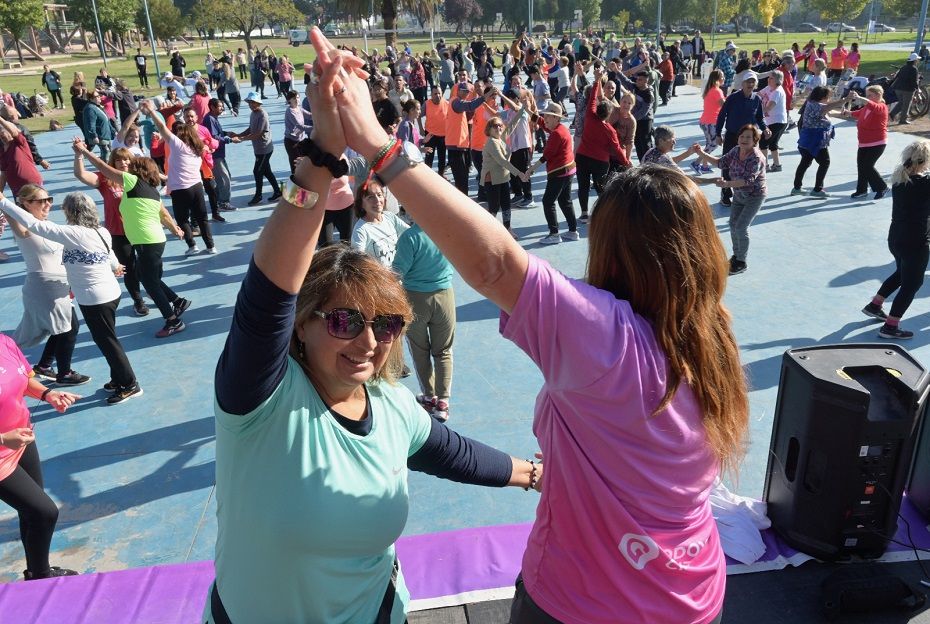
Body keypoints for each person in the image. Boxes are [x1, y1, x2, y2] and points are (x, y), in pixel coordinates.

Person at [307, 28, 746, 624]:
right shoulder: (708, 328)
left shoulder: (611, 341)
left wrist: (380, 146)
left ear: (613, 252)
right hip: (693, 593)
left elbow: (494, 264)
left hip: (587, 602)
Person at [203, 43, 543, 622]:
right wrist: (322, 156)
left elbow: (453, 454)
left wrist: (535, 475)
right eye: (344, 321)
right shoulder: (259, 401)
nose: (369, 343)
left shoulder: (392, 410)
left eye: (386, 325)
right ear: (302, 326)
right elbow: (267, 293)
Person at [0, 192, 143, 404]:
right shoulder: (100, 230)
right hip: (109, 294)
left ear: (71, 212)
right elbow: (109, 252)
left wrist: (3, 202)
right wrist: (114, 266)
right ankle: (117, 379)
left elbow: (34, 225)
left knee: (108, 342)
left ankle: (130, 384)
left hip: (95, 300)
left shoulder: (73, 233)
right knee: (109, 338)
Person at [74, 139, 190, 339]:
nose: (128, 166)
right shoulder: (151, 190)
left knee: (149, 281)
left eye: (132, 164)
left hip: (147, 241)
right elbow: (162, 214)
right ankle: (177, 302)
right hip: (151, 240)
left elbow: (102, 166)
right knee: (145, 275)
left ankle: (173, 321)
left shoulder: (133, 181)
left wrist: (84, 151)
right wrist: (175, 229)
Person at [0, 332, 81, 580]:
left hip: (22, 439)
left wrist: (48, 394)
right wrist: (3, 439)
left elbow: (24, 381)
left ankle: (36, 572)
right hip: (2, 454)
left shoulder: (4, 342)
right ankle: (42, 577)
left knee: (32, 513)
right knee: (44, 512)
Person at [7, 184, 88, 385]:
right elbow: (10, 212)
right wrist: (5, 203)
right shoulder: (23, 225)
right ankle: (64, 373)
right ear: (25, 204)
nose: (47, 204)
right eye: (41, 201)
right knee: (68, 328)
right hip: (44, 288)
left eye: (49, 199)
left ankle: (43, 366)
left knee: (57, 329)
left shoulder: (47, 225)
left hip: (57, 287)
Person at [862, 141, 930, 339]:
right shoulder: (925, 184)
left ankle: (875, 305)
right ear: (924, 161)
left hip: (896, 238)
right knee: (911, 285)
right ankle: (890, 326)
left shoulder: (901, 179)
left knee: (901, 273)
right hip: (915, 242)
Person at [72, 147, 148, 316]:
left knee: (149, 266)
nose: (123, 163)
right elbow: (81, 175)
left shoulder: (139, 177)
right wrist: (79, 155)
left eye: (126, 159)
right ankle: (138, 300)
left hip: (141, 231)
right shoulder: (105, 179)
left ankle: (154, 289)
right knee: (130, 267)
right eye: (119, 160)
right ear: (113, 163)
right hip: (119, 233)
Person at [392, 219, 455, 421]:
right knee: (443, 350)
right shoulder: (446, 230)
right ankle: (443, 402)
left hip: (415, 299)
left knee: (420, 350)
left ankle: (429, 396)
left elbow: (397, 272)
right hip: (445, 297)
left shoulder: (409, 238)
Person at [698, 125, 768, 275]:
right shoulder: (736, 150)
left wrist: (727, 184)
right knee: (733, 225)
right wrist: (701, 153)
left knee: (741, 227)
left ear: (755, 140)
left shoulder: (756, 157)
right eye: (742, 136)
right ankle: (736, 257)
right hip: (738, 195)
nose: (744, 140)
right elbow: (720, 163)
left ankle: (741, 262)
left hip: (754, 196)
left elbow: (748, 180)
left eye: (748, 137)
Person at [576, 72, 629, 224]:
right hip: (600, 162)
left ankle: (584, 213)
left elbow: (592, 98)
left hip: (583, 157)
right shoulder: (610, 130)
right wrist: (626, 162)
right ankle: (604, 213)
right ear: (609, 113)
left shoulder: (589, 116)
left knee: (583, 186)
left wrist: (597, 80)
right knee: (601, 189)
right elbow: (617, 148)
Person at [525, 102, 579, 245]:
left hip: (559, 172)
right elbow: (542, 123)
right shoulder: (561, 129)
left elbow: (545, 156)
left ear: (556, 118)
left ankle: (554, 234)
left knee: (548, 202)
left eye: (549, 116)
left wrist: (530, 171)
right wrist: (528, 111)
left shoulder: (556, 134)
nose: (546, 118)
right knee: (565, 200)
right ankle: (573, 231)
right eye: (546, 115)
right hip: (569, 170)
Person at [714, 71, 768, 206]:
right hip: (732, 136)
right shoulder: (733, 98)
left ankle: (744, 193)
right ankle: (726, 194)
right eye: (748, 82)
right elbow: (722, 116)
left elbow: (760, 118)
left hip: (750, 139)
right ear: (742, 84)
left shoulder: (757, 99)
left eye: (753, 82)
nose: (750, 84)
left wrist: (765, 128)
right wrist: (718, 133)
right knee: (726, 164)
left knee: (749, 166)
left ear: (756, 84)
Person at [791, 86, 848, 199]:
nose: (828, 100)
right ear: (822, 97)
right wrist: (845, 99)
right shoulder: (816, 106)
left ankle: (797, 188)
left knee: (805, 162)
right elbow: (827, 107)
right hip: (815, 141)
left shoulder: (811, 103)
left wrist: (844, 113)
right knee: (825, 162)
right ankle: (818, 189)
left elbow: (829, 111)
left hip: (807, 140)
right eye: (827, 97)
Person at [481, 115, 525, 237]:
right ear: (489, 129)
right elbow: (502, 161)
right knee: (494, 208)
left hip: (503, 177)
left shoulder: (501, 138)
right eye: (495, 126)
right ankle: (487, 232)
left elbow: (511, 125)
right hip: (492, 179)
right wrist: (519, 174)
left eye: (500, 125)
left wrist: (521, 111)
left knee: (506, 205)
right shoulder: (491, 142)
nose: (499, 128)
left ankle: (508, 228)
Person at [351, 177, 409, 267]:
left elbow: (410, 233)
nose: (377, 200)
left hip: (400, 274)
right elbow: (357, 262)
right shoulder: (361, 230)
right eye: (370, 197)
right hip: (381, 279)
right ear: (361, 204)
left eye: (379, 195)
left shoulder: (390, 217)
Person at [235, 92, 281, 205]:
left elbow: (259, 133)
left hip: (265, 149)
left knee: (257, 171)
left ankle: (258, 195)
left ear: (258, 102)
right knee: (266, 171)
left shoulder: (262, 114)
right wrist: (239, 135)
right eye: (249, 102)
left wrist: (242, 139)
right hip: (258, 149)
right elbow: (251, 129)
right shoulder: (253, 114)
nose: (251, 104)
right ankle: (277, 192)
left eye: (253, 102)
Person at [845, 86, 889, 200]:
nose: (868, 97)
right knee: (861, 167)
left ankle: (882, 187)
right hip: (864, 143)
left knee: (867, 166)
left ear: (879, 95)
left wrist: (859, 97)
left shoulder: (881, 107)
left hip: (878, 143)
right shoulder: (866, 108)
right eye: (867, 95)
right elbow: (857, 113)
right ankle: (862, 190)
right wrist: (847, 112)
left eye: (870, 95)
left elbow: (873, 105)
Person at [758, 71, 787, 172]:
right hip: (772, 121)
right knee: (773, 144)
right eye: (769, 78)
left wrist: (754, 111)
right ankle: (777, 165)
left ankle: (765, 166)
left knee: (763, 142)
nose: (768, 79)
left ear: (777, 81)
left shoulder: (777, 92)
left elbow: (768, 108)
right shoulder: (769, 88)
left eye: (771, 78)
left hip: (778, 122)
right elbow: (758, 95)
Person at [283, 90, 313, 176]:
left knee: (303, 162)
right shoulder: (290, 111)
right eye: (294, 98)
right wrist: (315, 128)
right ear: (289, 100)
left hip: (300, 140)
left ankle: (302, 184)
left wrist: (320, 115)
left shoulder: (299, 108)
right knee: (296, 165)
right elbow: (300, 126)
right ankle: (295, 187)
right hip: (291, 142)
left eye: (297, 97)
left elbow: (310, 116)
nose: (296, 99)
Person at [423, 85, 448, 176]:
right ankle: (427, 176)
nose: (437, 95)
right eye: (435, 94)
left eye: (439, 93)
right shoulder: (427, 104)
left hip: (443, 135)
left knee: (442, 157)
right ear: (431, 95)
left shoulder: (447, 104)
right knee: (429, 157)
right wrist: (421, 128)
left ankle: (441, 174)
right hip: (430, 135)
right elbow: (418, 115)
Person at [889, 53, 921, 125]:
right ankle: (903, 120)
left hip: (898, 88)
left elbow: (897, 76)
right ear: (915, 60)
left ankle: (891, 114)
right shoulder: (914, 69)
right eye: (917, 60)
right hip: (908, 89)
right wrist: (917, 89)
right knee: (906, 104)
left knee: (901, 103)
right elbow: (914, 81)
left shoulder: (903, 67)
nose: (918, 61)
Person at [82, 91, 113, 161]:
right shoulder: (90, 109)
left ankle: (107, 166)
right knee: (106, 151)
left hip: (105, 134)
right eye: (97, 96)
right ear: (91, 99)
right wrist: (94, 136)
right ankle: (105, 168)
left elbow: (106, 120)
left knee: (110, 152)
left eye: (99, 96)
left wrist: (113, 131)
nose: (100, 97)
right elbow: (90, 123)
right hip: (100, 135)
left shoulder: (98, 107)